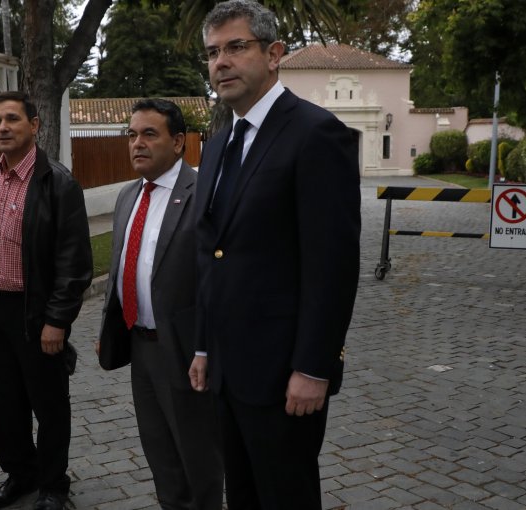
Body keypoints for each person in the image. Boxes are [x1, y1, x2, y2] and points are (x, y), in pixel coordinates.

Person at [188, 1, 361, 508]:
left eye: (236, 47)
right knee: (240, 495)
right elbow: (210, 253)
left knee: (286, 497)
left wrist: (314, 367)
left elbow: (332, 267)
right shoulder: (218, 144)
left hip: (285, 375)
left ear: (274, 54)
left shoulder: (315, 134)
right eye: (213, 52)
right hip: (226, 371)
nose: (222, 62)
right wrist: (202, 346)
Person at [97, 99, 224, 510]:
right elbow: (121, 269)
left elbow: (215, 279)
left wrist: (206, 346)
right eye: (131, 135)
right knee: (160, 454)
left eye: (149, 134)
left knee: (198, 458)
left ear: (179, 142)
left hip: (186, 349)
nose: (137, 143)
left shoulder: (204, 192)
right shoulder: (127, 196)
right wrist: (109, 327)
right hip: (140, 346)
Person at [0, 91, 92, 510]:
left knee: (49, 405)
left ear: (34, 124)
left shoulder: (57, 182)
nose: (2, 128)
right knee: (4, 403)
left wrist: (57, 321)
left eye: (12, 119)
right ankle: (20, 476)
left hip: (38, 312)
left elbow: (75, 262)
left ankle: (53, 486)